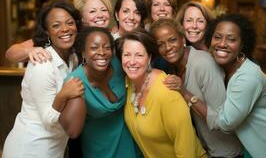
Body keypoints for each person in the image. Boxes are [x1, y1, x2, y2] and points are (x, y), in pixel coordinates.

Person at [150, 18, 243, 157]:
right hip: (205, 150)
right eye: (160, 44)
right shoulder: (172, 67)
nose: (168, 47)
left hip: (227, 153)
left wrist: (184, 92)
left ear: (183, 39)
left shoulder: (203, 64)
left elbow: (221, 120)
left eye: (172, 40)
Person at [2, 1, 84, 158]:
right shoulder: (43, 64)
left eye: (70, 23)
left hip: (53, 148)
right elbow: (48, 119)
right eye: (56, 25)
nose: (65, 29)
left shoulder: (73, 57)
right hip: (30, 148)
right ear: (47, 32)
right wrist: (63, 94)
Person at [115, 29, 207, 158]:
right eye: (127, 54)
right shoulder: (130, 83)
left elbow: (186, 149)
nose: (132, 61)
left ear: (149, 58)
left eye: (139, 55)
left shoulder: (167, 92)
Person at [189, 14, 266, 158]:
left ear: (243, 44)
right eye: (217, 37)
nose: (222, 43)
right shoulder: (224, 67)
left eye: (231, 39)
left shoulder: (247, 77)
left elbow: (226, 123)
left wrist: (188, 95)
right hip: (247, 146)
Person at [59, 26, 141, 158]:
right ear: (83, 53)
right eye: (94, 47)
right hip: (100, 147)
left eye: (107, 47)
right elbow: (73, 132)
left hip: (130, 141)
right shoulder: (75, 81)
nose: (102, 52)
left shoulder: (120, 64)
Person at [5, 0, 113, 64]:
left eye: (104, 10)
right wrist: (29, 51)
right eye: (92, 11)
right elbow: (11, 54)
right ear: (81, 17)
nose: (100, 15)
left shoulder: (113, 37)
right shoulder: (70, 35)